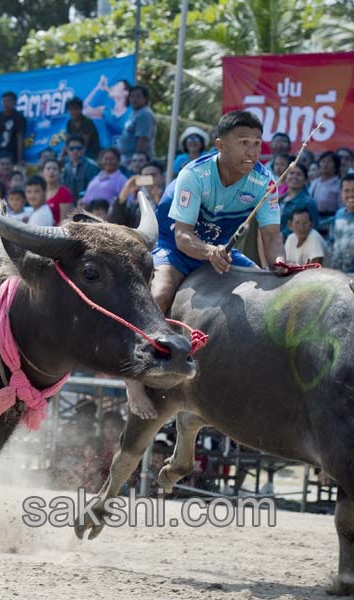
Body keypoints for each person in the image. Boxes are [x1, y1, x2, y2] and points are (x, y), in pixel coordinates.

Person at [125, 110, 293, 419]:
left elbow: (272, 236)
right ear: (221, 145)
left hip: (220, 251)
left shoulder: (265, 180)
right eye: (243, 143)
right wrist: (208, 251)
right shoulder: (194, 174)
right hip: (176, 248)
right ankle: (132, 380)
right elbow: (182, 237)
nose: (252, 151)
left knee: (266, 295)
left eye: (256, 143)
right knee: (160, 294)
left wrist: (280, 261)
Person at [108, 161, 164, 228]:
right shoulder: (137, 204)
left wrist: (159, 202)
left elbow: (167, 223)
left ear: (162, 178)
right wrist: (123, 195)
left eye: (152, 175)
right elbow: (115, 222)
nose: (149, 179)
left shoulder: (170, 197)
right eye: (145, 176)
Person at [83, 77, 131, 148]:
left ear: (126, 93)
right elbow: (84, 110)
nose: (112, 87)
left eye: (117, 85)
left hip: (127, 155)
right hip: (108, 154)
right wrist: (98, 88)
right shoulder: (105, 111)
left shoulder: (131, 113)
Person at [0, 92, 27, 167]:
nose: (5, 103)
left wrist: (20, 159)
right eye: (4, 101)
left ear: (14, 103)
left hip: (11, 152)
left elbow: (20, 138)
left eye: (8, 101)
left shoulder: (19, 117)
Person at [118, 85, 156, 166]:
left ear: (145, 99)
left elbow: (143, 140)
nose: (134, 99)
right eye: (132, 96)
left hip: (135, 162)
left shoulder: (144, 114)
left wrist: (136, 161)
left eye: (138, 96)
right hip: (127, 159)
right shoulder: (134, 112)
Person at [278, 164, 318, 239]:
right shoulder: (279, 199)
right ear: (285, 177)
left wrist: (284, 235)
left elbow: (314, 226)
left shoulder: (308, 202)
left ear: (305, 180)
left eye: (299, 174)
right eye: (291, 173)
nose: (294, 177)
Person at [61, 135, 99, 201]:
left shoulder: (91, 166)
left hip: (88, 204)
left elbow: (95, 189)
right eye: (72, 148)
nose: (75, 151)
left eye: (78, 148)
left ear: (84, 149)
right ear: (67, 149)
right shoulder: (66, 167)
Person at [330, 173, 354, 273]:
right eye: (346, 191)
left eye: (353, 190)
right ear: (341, 193)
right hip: (339, 271)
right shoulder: (339, 214)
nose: (350, 194)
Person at [309, 151, 342, 222]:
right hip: (312, 220)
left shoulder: (339, 185)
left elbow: (342, 208)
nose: (325, 164)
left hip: (330, 221)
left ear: (336, 167)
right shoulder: (315, 182)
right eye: (323, 161)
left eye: (329, 162)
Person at [41, 158, 73, 225]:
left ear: (60, 173)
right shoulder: (39, 191)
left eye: (55, 169)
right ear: (43, 173)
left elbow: (64, 222)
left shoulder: (64, 193)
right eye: (48, 168)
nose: (51, 171)